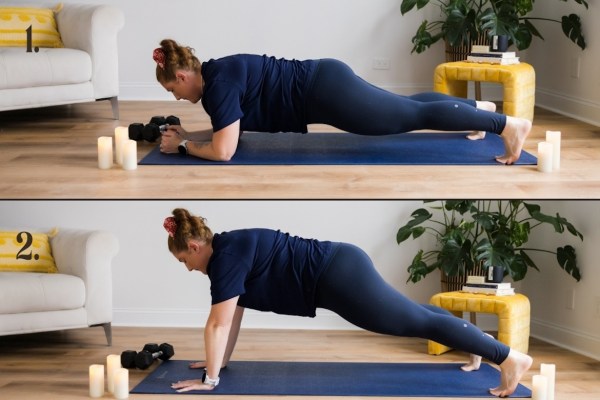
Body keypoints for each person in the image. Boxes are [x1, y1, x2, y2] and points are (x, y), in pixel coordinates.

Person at [163, 208, 532, 396]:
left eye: (184, 261)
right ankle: (475, 346)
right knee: (413, 315)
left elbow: (218, 323)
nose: (187, 269)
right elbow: (234, 313)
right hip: (338, 266)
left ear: (194, 247)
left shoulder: (225, 260)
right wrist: (220, 361)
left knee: (408, 323)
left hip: (336, 277)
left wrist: (210, 381)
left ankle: (510, 358)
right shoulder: (229, 250)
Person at [153, 39, 531, 164]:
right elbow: (226, 130)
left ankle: (508, 127)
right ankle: (479, 114)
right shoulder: (217, 73)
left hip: (324, 92)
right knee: (404, 106)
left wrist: (185, 145)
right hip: (324, 81)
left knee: (401, 117)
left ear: (183, 76)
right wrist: (188, 133)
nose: (178, 97)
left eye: (174, 89)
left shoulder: (218, 87)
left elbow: (224, 152)